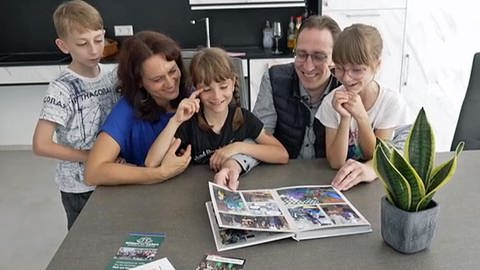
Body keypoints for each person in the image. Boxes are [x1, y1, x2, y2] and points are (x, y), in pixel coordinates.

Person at [228, 15, 411, 191]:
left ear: (336, 57)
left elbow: (401, 141)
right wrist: (235, 164)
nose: (308, 66)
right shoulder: (274, 78)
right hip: (282, 180)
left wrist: (373, 169)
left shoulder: (351, 83)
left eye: (319, 56)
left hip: (335, 183)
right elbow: (259, 133)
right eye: (301, 54)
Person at [145, 47, 289, 190]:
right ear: (196, 89)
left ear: (232, 84)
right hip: (193, 190)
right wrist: (176, 120)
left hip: (236, 188)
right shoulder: (189, 123)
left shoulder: (244, 118)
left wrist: (237, 147)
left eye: (223, 86)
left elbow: (281, 154)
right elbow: (151, 163)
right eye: (207, 89)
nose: (217, 96)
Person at [32, 0, 119, 229]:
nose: (93, 50)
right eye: (82, 44)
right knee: (85, 242)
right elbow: (41, 144)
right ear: (63, 45)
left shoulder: (111, 76)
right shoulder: (62, 88)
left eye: (98, 40)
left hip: (111, 174)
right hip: (79, 186)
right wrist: (89, 155)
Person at [84, 31, 192, 186]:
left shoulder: (193, 95)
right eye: (157, 79)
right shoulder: (126, 110)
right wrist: (160, 173)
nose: (170, 83)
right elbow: (93, 173)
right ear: (139, 82)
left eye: (172, 71)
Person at [317, 23, 409, 170]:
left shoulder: (391, 102)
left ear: (377, 65)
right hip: (342, 180)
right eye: (340, 68)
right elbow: (336, 162)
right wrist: (345, 118)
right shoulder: (331, 102)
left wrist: (361, 118)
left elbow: (377, 158)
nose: (346, 78)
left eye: (357, 70)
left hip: (377, 181)